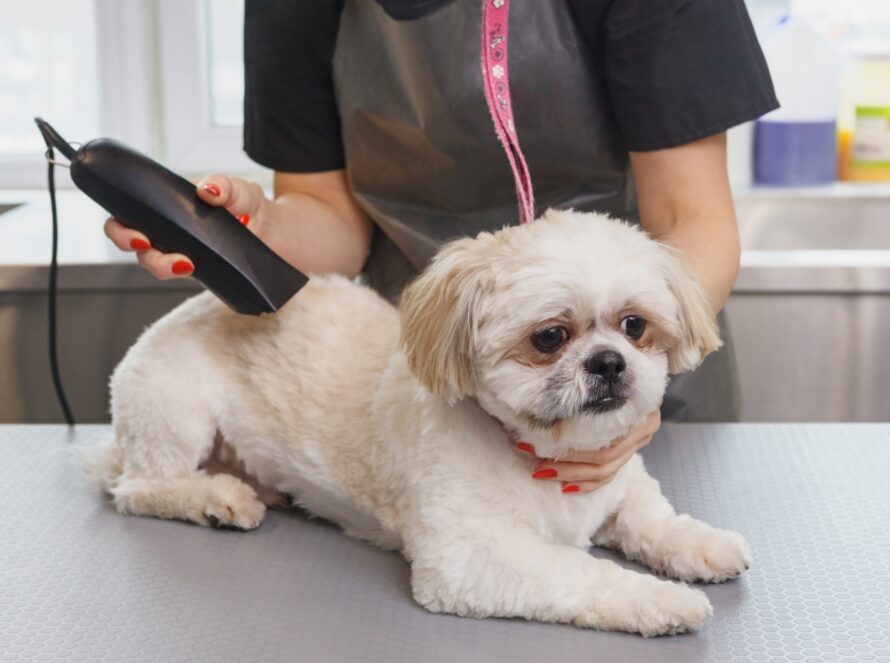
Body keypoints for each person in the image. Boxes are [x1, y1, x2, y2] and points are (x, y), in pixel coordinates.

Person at [103, 0, 777, 493]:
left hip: (639, 374)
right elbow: (333, 216)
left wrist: (638, 373)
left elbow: (692, 218)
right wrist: (258, 232)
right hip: (439, 382)